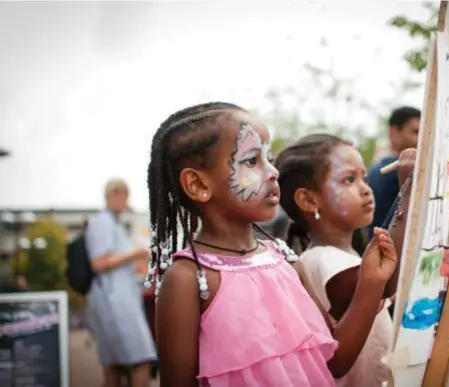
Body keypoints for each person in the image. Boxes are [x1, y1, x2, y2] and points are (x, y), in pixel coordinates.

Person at [147, 102, 398, 387]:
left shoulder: (287, 260)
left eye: (270, 158)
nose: (273, 172)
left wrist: (371, 282)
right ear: (198, 184)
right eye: (252, 160)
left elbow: (335, 362)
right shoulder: (188, 278)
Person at [276, 134, 416, 386]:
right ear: (308, 200)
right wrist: (408, 190)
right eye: (348, 180)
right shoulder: (324, 261)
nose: (365, 189)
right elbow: (386, 281)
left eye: (365, 178)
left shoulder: (338, 256)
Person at [85, 179, 156, 387]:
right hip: (114, 302)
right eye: (124, 195)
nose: (126, 200)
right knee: (142, 359)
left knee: (114, 365)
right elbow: (99, 262)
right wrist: (137, 253)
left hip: (115, 299)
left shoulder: (112, 223)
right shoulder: (103, 222)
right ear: (114, 194)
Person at [367, 107, 420, 237]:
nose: (421, 139)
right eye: (416, 132)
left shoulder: (376, 169)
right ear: (394, 133)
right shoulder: (397, 172)